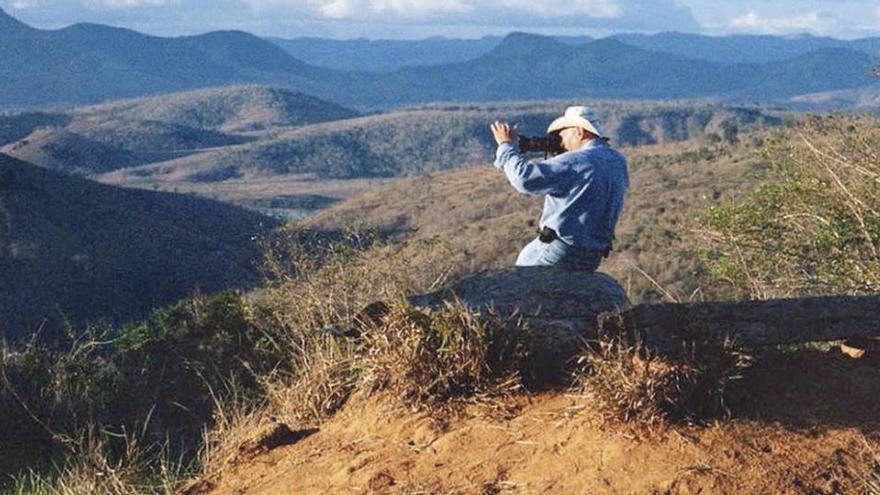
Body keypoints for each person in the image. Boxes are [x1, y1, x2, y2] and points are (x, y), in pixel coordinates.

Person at [490, 106, 628, 271]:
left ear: (579, 132)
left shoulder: (578, 160)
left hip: (560, 250)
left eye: (562, 134)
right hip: (593, 256)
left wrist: (505, 146)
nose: (559, 141)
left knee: (518, 284)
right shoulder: (618, 161)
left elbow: (524, 179)